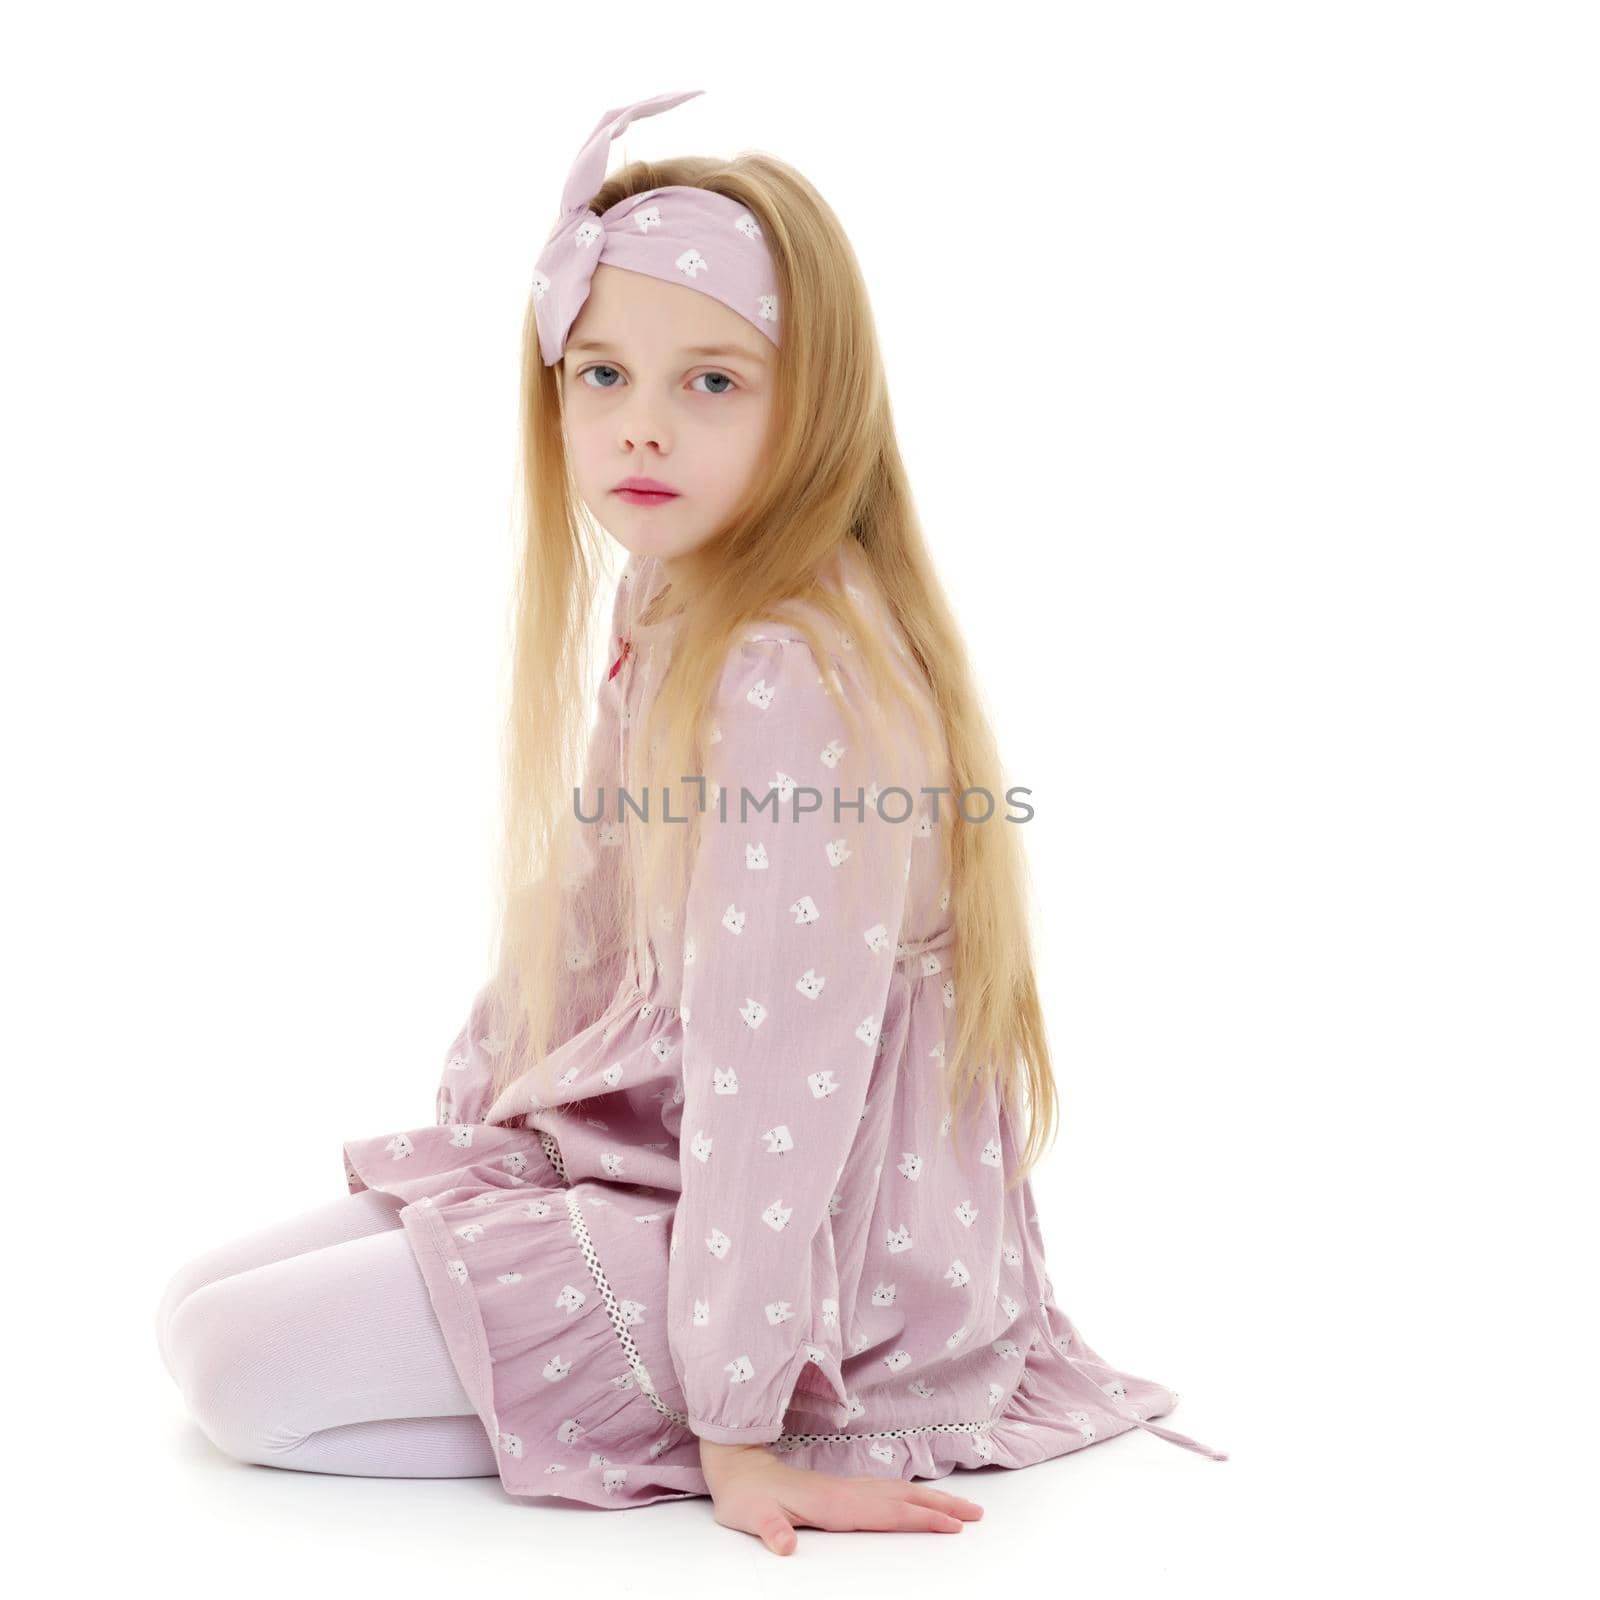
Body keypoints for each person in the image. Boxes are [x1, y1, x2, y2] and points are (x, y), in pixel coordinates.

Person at [155, 87, 1226, 1557]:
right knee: (194, 1308)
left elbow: (780, 1068)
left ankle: (672, 1406)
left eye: (712, 383)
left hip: (804, 1267)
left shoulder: (793, 672)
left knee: (240, 1377)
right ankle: (583, 1379)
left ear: (813, 402)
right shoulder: (676, 599)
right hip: (665, 1164)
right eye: (600, 375)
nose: (639, 427)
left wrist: (735, 1415)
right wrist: (493, 1139)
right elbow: (591, 923)